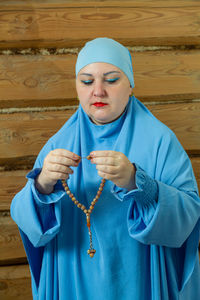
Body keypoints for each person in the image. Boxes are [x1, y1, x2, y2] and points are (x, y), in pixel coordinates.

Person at [11, 38, 200, 300]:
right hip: (73, 277)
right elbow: (25, 218)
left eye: (111, 80)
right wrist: (42, 185)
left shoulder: (160, 141)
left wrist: (138, 183)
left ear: (131, 85)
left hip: (139, 277)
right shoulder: (58, 144)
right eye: (87, 81)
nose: (98, 91)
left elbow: (189, 215)